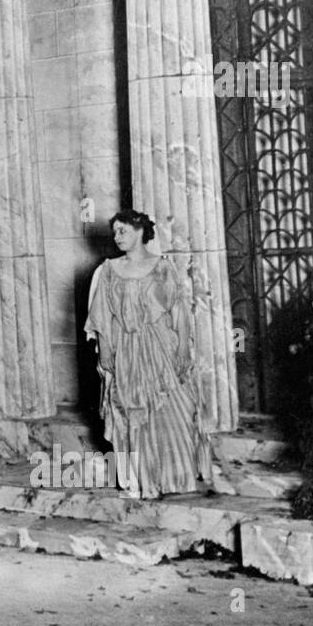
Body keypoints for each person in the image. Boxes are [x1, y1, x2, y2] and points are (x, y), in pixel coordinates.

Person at [84, 210, 222, 498]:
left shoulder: (162, 267)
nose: (117, 237)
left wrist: (184, 347)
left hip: (162, 345)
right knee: (131, 413)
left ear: (140, 231)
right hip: (126, 350)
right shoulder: (108, 270)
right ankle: (141, 481)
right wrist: (106, 350)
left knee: (175, 408)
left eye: (123, 230)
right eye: (115, 232)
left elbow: (180, 311)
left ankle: (174, 478)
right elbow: (102, 315)